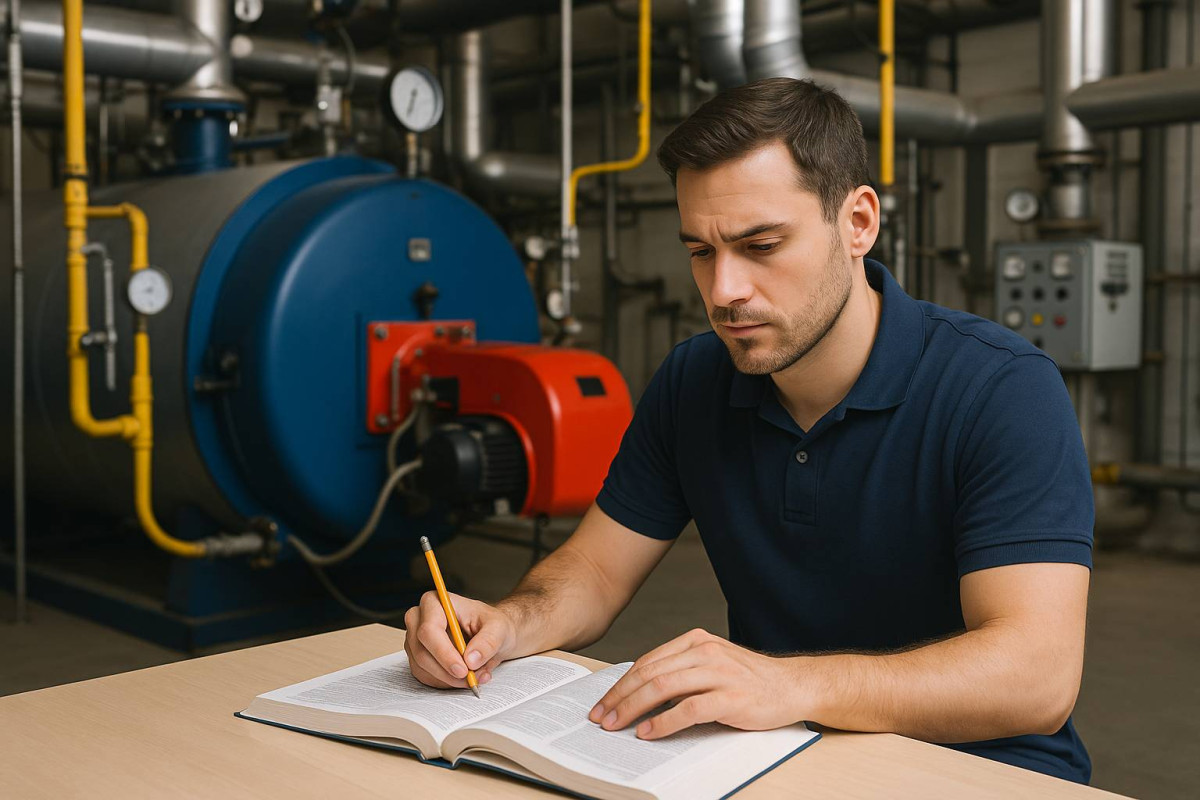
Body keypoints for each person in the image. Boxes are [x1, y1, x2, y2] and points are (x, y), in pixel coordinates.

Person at [404, 77, 1094, 784]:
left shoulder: (1000, 388)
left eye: (760, 244)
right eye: (701, 250)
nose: (724, 290)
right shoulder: (695, 380)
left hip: (981, 774)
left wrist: (789, 686)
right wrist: (509, 624)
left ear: (858, 223)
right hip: (772, 761)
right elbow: (595, 571)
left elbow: (1034, 676)